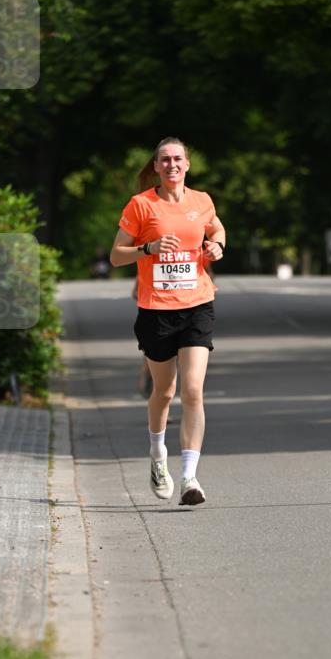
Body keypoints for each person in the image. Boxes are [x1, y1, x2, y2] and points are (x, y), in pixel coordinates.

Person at [110, 137, 226, 506]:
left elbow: (217, 230)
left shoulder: (202, 201)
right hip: (157, 309)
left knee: (193, 390)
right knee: (164, 392)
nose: (172, 164)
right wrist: (148, 248)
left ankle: (190, 478)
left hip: (197, 304)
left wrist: (217, 246)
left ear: (187, 165)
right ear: (157, 166)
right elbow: (116, 256)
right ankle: (158, 455)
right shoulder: (141, 205)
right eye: (165, 160)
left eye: (178, 159)